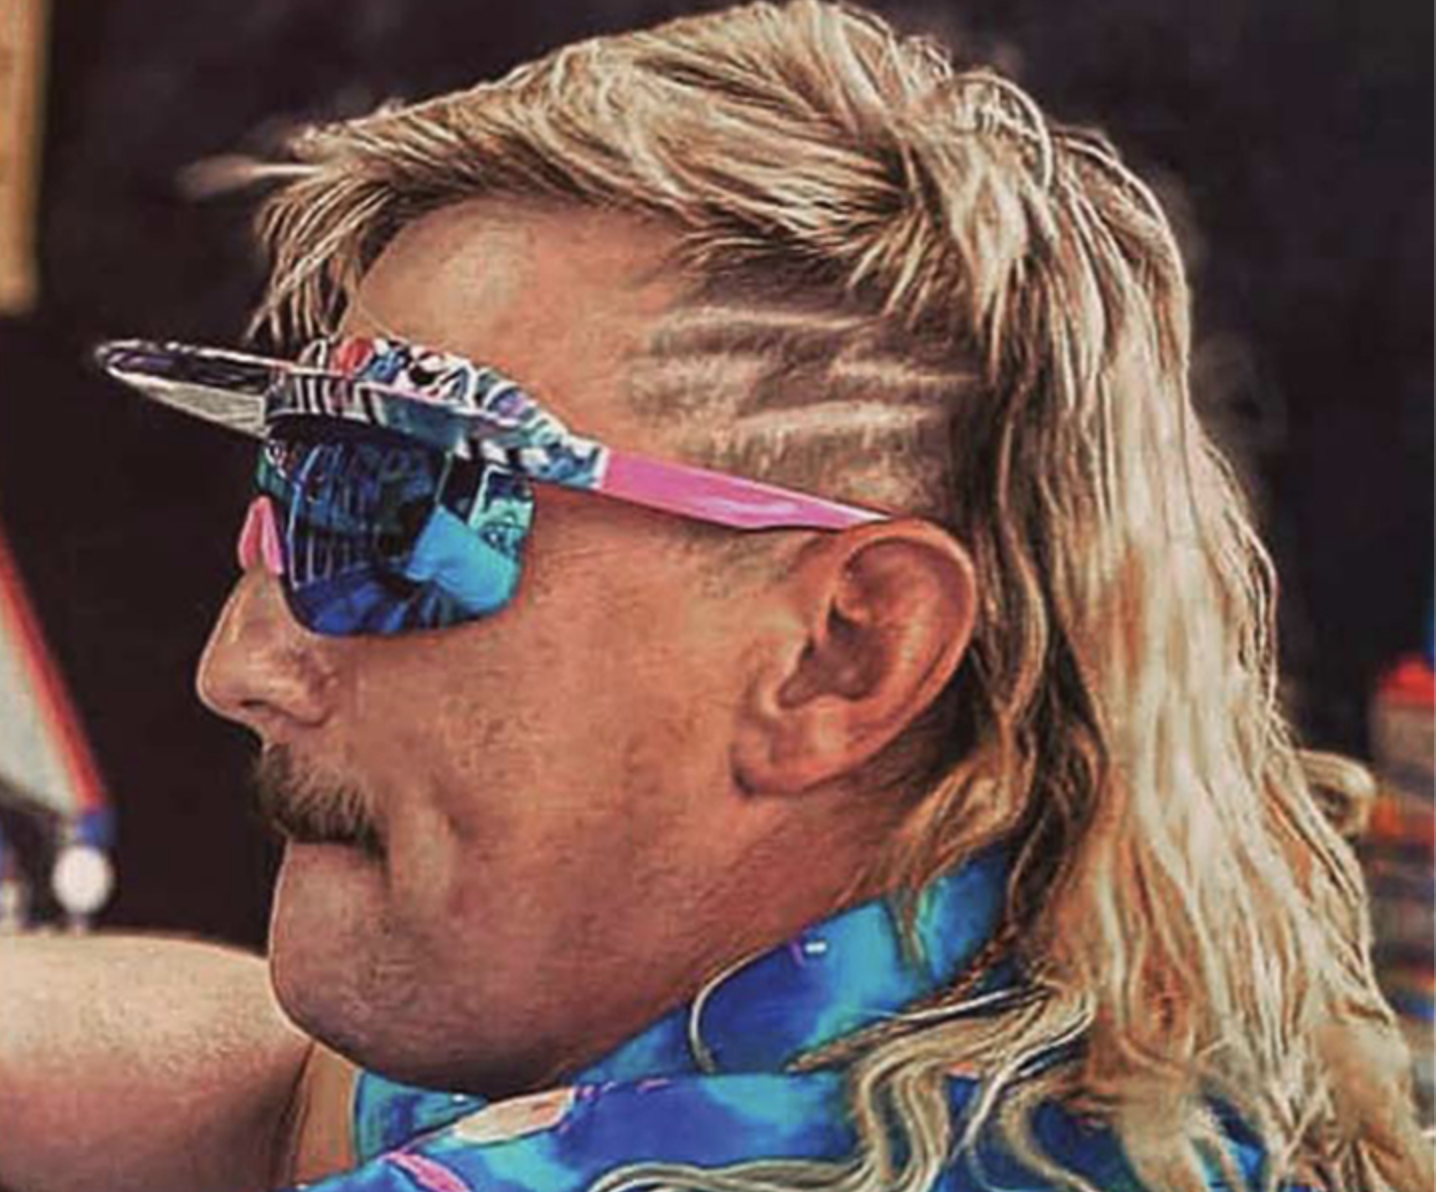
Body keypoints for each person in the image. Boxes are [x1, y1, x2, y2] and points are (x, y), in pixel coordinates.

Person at [0, 3, 1428, 1190]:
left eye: (395, 508)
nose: (243, 663)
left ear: (841, 653)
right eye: (291, 498)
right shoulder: (997, 1009)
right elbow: (292, 1094)